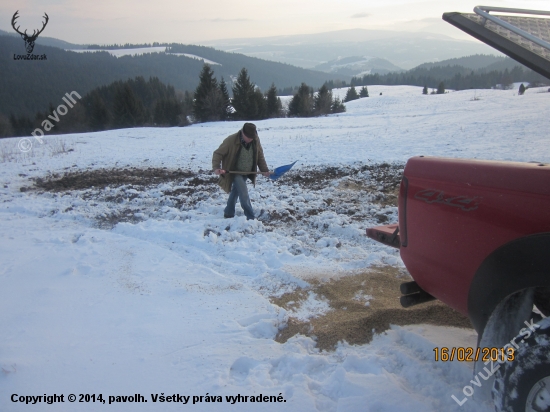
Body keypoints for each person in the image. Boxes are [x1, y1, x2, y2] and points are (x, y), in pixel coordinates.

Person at [212, 123, 270, 220]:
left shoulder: (255, 140)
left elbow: (260, 155)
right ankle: (250, 216)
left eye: (253, 137)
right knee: (243, 193)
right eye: (249, 137)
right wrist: (216, 167)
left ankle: (228, 212)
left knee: (236, 191)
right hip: (234, 172)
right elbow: (217, 153)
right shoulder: (231, 140)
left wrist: (264, 170)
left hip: (247, 172)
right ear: (243, 133)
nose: (251, 139)